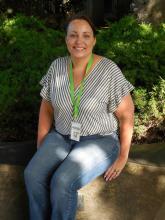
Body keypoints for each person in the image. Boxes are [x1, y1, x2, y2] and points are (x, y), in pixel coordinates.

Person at [24, 14, 134, 220]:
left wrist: (122, 156)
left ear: (94, 40)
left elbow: (127, 115)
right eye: (73, 35)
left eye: (86, 35)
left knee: (62, 181)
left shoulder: (109, 70)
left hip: (99, 140)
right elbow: (46, 107)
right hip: (61, 136)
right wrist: (42, 142)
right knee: (32, 174)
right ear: (66, 39)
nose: (79, 41)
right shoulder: (57, 66)